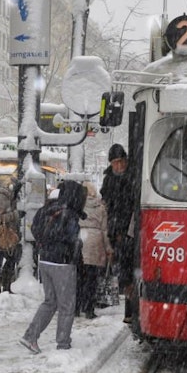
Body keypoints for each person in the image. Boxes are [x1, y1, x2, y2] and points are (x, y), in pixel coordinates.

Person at [20, 180, 87, 354]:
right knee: (66, 305)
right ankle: (63, 343)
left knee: (50, 302)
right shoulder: (70, 214)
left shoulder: (47, 208)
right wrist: (75, 255)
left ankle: (30, 336)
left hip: (45, 260)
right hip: (62, 264)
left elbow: (35, 229)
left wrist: (46, 244)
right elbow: (73, 240)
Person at [100, 143, 136, 324]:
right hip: (117, 233)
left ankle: (132, 310)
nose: (119, 165)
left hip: (132, 229)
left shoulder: (133, 176)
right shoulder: (109, 180)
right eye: (115, 162)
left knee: (130, 271)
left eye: (121, 161)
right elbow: (109, 207)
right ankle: (130, 310)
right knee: (124, 272)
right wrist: (113, 232)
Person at [77, 182, 111, 319]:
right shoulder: (101, 208)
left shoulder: (78, 205)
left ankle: (76, 307)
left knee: (79, 277)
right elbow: (105, 230)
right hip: (96, 242)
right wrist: (108, 248)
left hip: (80, 240)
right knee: (92, 279)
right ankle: (89, 309)